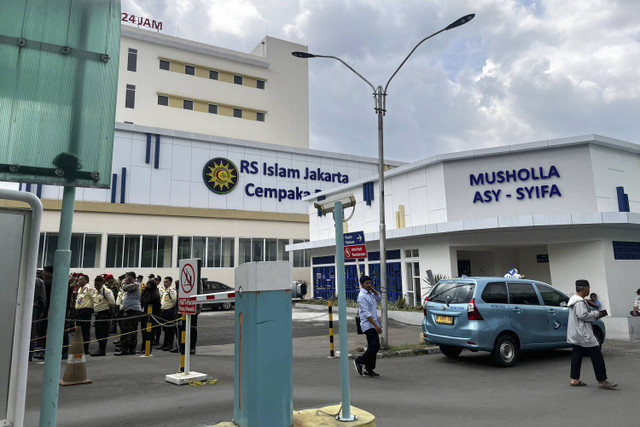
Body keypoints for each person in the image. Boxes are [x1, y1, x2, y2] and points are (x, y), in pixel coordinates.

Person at [567, 279, 617, 389]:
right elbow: (583, 315)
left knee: (577, 355)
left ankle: (575, 379)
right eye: (589, 288)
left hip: (576, 333)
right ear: (584, 288)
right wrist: (597, 314)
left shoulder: (573, 300)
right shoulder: (579, 302)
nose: (589, 290)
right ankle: (602, 381)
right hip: (583, 334)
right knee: (597, 356)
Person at [353, 275, 382, 377]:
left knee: (372, 346)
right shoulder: (362, 296)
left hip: (373, 323)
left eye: (370, 283)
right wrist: (376, 326)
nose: (369, 285)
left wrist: (372, 289)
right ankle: (359, 360)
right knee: (375, 346)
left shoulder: (370, 293)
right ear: (362, 285)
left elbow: (379, 297)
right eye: (367, 283)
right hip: (368, 325)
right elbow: (366, 313)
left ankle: (369, 369)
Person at [115, 272, 142, 356]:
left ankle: (125, 349)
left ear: (131, 278)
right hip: (130, 309)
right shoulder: (134, 285)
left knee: (126, 329)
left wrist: (123, 282)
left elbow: (124, 288)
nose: (125, 279)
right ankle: (130, 349)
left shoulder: (136, 284)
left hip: (132, 310)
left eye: (127, 277)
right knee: (131, 330)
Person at [90, 276, 115, 357]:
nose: (96, 286)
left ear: (102, 283)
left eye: (97, 285)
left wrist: (105, 307)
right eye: (95, 285)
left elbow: (112, 302)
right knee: (98, 333)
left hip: (104, 315)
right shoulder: (95, 292)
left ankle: (102, 349)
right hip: (97, 315)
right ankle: (100, 348)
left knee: (103, 334)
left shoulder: (107, 291)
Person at [139, 278, 161, 354]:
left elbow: (158, 306)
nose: (148, 285)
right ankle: (142, 348)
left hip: (151, 317)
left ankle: (148, 348)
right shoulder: (145, 292)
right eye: (147, 284)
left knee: (150, 334)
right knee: (143, 332)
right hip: (144, 315)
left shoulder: (155, 294)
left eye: (150, 284)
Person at [74, 274, 94, 355]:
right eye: (79, 280)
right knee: (78, 331)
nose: (79, 281)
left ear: (87, 280)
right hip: (79, 311)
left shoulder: (89, 289)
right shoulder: (80, 289)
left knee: (85, 331)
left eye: (81, 280)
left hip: (86, 311)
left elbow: (93, 299)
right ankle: (79, 348)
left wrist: (92, 310)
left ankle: (85, 349)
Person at [159, 276, 177, 351]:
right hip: (164, 311)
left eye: (166, 282)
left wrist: (171, 310)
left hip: (169, 311)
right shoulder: (165, 291)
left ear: (170, 282)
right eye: (164, 282)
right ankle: (165, 344)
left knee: (169, 329)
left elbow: (174, 300)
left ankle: (169, 345)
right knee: (165, 329)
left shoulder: (172, 291)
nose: (165, 283)